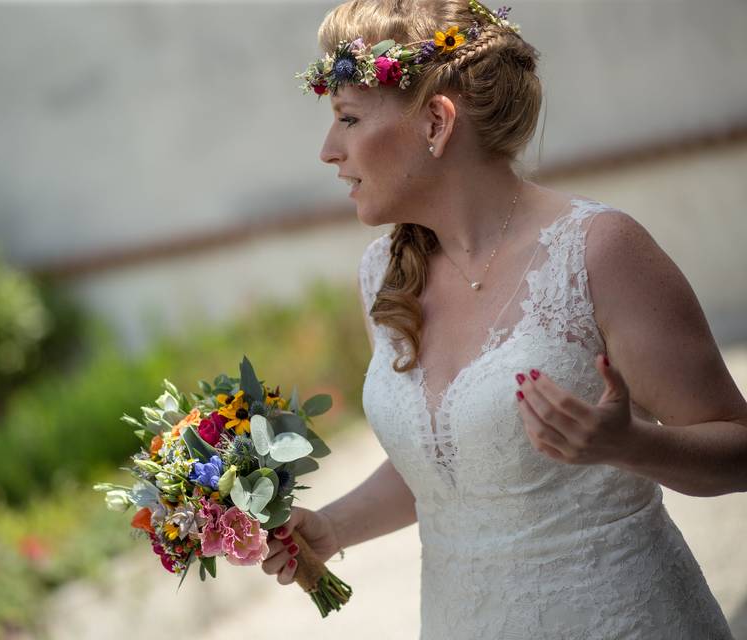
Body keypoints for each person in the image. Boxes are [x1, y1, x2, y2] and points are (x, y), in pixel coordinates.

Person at [261, 0, 747, 637]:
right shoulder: (383, 275)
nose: (329, 150)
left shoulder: (599, 251)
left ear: (436, 122)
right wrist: (333, 528)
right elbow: (452, 469)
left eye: (348, 119)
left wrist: (632, 444)